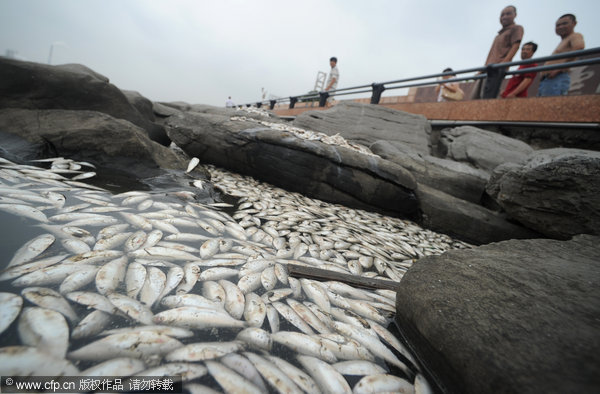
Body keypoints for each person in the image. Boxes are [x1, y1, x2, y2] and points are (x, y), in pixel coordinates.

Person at [471, 5, 524, 99]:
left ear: (515, 15)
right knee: (475, 98)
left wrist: (503, 64)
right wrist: (481, 71)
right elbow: (491, 55)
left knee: (487, 98)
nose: (504, 17)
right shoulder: (498, 35)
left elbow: (515, 46)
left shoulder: (516, 28)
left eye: (508, 14)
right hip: (487, 69)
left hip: (497, 69)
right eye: (502, 15)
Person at [537, 14, 585, 96]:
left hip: (557, 77)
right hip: (547, 79)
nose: (560, 27)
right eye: (558, 25)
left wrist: (558, 69)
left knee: (550, 105)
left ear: (574, 23)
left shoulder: (575, 36)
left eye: (565, 23)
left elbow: (579, 48)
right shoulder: (563, 41)